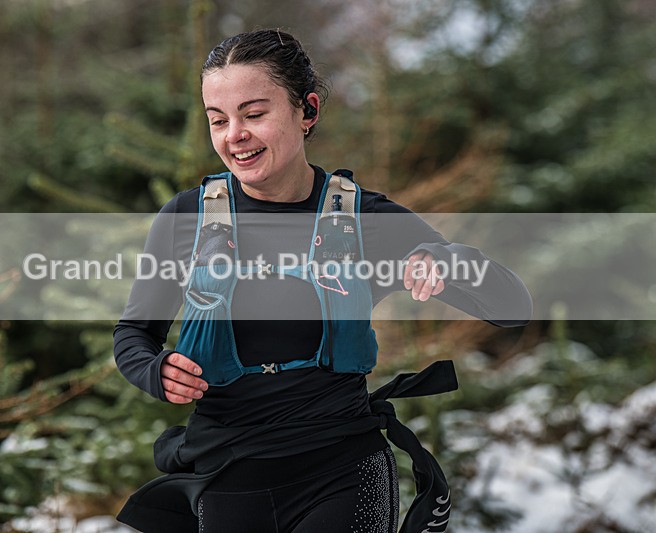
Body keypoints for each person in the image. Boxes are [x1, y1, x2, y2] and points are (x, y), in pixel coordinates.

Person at [113, 29, 532, 533]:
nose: (234, 135)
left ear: (307, 110)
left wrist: (445, 258)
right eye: (218, 120)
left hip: (343, 469)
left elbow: (512, 306)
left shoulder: (364, 218)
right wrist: (157, 372)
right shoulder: (187, 218)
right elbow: (133, 336)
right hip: (228, 471)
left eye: (254, 114)